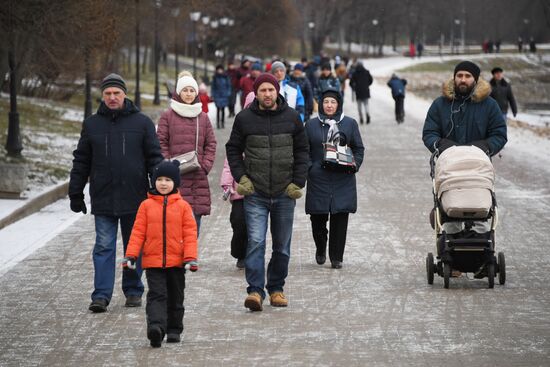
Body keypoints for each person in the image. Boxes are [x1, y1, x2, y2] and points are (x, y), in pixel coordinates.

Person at [69, 73, 164, 313]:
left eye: (116, 93)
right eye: (108, 94)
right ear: (102, 96)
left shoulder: (141, 122)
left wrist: (158, 187)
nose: (112, 98)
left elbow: (154, 157)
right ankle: (101, 295)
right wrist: (75, 193)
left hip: (135, 196)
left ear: (124, 95)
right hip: (103, 196)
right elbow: (81, 160)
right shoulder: (92, 124)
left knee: (135, 246)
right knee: (103, 246)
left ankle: (133, 290)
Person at [226, 73, 309, 311]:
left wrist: (298, 182)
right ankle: (254, 291)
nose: (267, 94)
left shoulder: (292, 118)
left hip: (285, 192)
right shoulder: (244, 119)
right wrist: (241, 178)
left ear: (277, 91)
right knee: (255, 242)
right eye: (262, 90)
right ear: (256, 93)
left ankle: (276, 289)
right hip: (256, 193)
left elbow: (303, 151)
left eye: (271, 90)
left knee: (282, 245)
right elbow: (233, 149)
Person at [422, 60, 507, 237]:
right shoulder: (440, 104)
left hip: (478, 168)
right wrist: (439, 144)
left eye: (467, 76)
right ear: (454, 78)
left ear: (475, 80)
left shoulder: (489, 105)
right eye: (459, 76)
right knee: (451, 209)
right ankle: (451, 243)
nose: (463, 79)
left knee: (479, 208)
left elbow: (499, 134)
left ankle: (481, 245)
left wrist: (486, 146)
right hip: (449, 168)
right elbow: (429, 132)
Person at [123, 160, 198, 348]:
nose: (163, 183)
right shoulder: (146, 206)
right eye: (160, 179)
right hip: (153, 262)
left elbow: (190, 234)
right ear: (154, 181)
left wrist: (190, 258)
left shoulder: (183, 207)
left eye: (168, 180)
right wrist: (131, 255)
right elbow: (137, 232)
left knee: (175, 297)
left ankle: (174, 329)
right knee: (156, 295)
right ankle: (156, 328)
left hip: (177, 263)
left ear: (176, 183)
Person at [304, 89, 364, 269]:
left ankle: (336, 257)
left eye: (333, 102)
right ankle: (320, 247)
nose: (329, 105)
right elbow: (303, 150)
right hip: (318, 179)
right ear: (321, 104)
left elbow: (359, 148)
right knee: (318, 219)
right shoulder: (311, 125)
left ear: (338, 104)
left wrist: (354, 165)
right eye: (326, 102)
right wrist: (310, 168)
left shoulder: (350, 124)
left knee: (340, 217)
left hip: (342, 178)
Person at [157, 71, 217, 235]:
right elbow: (160, 141)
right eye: (185, 90)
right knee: (172, 224)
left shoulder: (203, 117)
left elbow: (211, 143)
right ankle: (175, 259)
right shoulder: (167, 116)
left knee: (192, 226)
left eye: (192, 90)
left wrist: (205, 166)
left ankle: (189, 259)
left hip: (197, 177)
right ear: (178, 92)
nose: (188, 94)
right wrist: (168, 164)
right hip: (174, 178)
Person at [220, 92, 255, 270]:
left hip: (259, 189)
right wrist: (227, 184)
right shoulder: (240, 130)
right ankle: (240, 252)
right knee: (239, 222)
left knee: (255, 225)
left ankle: (252, 254)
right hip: (239, 189)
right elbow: (229, 161)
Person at [211, 64, 232, 129]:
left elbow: (229, 86)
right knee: (217, 109)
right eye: (218, 69)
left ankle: (222, 123)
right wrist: (213, 94)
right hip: (217, 95)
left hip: (224, 95)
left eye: (221, 69)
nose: (220, 71)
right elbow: (213, 87)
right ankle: (218, 123)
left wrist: (228, 93)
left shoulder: (226, 77)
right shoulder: (215, 78)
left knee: (223, 110)